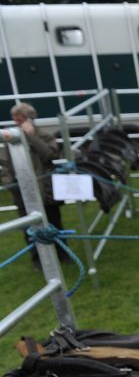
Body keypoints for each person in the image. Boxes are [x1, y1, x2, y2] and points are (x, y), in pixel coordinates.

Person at [0, 102, 65, 268]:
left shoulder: (42, 134)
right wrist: (9, 184)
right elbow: (5, 163)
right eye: (14, 120)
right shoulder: (11, 137)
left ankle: (62, 254)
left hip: (45, 187)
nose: (16, 123)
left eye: (20, 120)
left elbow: (50, 154)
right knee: (28, 225)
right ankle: (38, 260)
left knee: (53, 221)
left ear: (30, 119)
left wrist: (31, 137)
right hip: (21, 189)